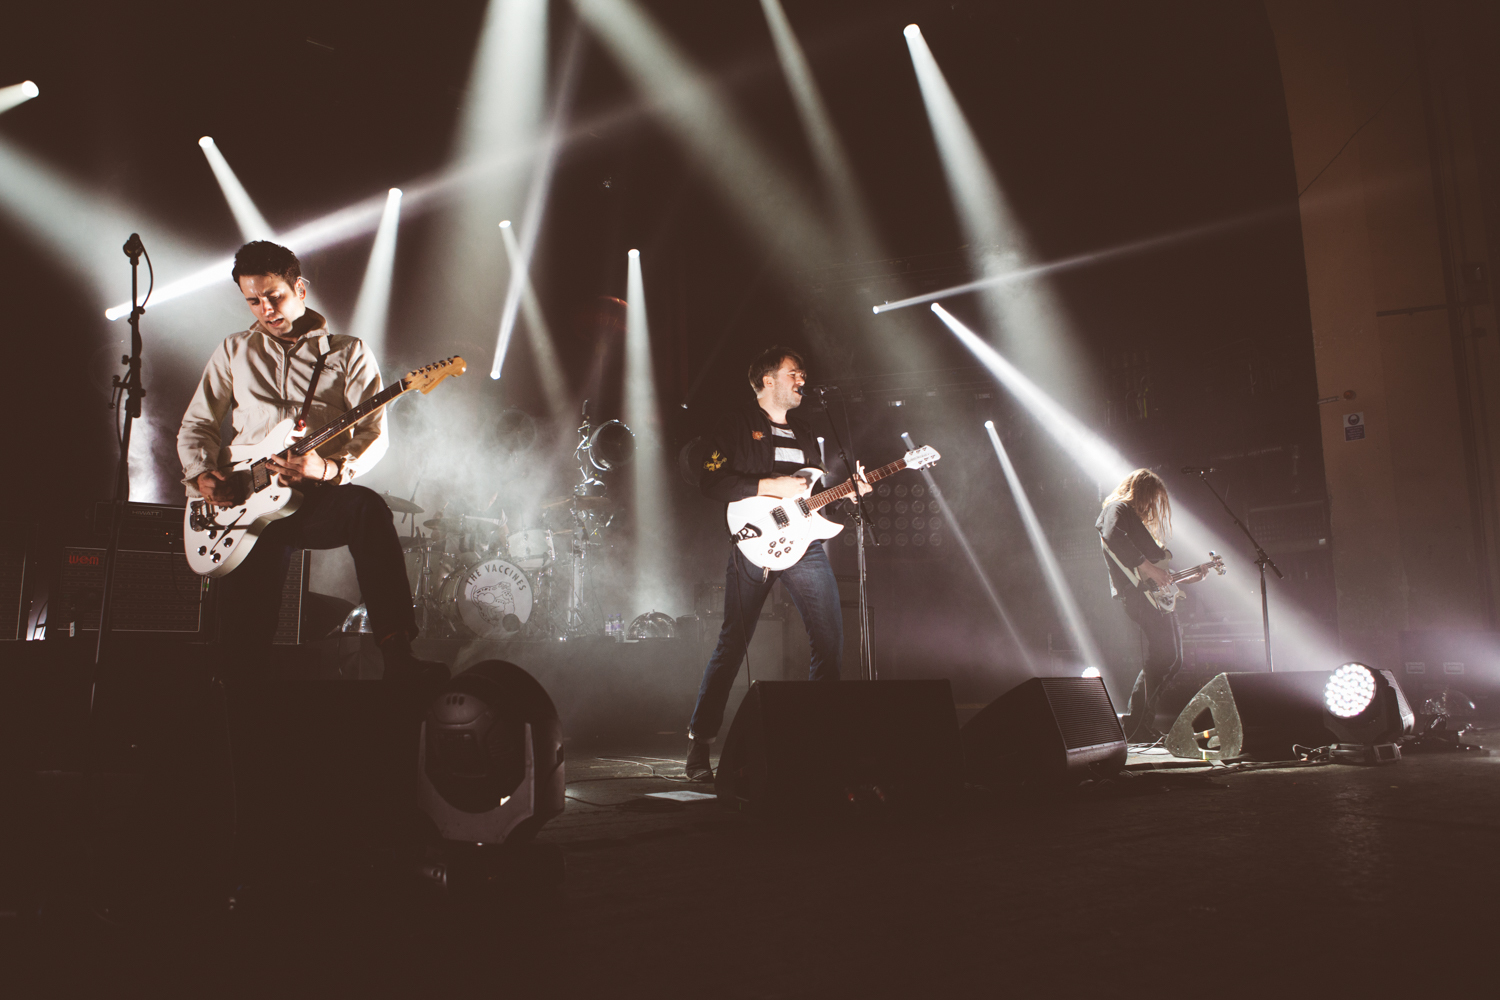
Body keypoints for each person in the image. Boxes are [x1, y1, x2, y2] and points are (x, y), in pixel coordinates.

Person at [176, 240, 443, 686]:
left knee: (368, 510)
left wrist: (328, 470)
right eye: (253, 300)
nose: (266, 309)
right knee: (241, 654)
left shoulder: (348, 352)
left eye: (274, 295)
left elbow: (374, 434)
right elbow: (197, 424)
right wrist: (203, 475)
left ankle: (397, 652)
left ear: (300, 288)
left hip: (313, 498)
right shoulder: (233, 350)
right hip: (242, 505)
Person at [684, 347, 869, 781]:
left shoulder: (806, 433)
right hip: (754, 544)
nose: (802, 378)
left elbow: (813, 503)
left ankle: (815, 744)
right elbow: (710, 480)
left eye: (802, 372)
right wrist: (769, 484)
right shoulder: (734, 426)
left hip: (804, 547)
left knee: (829, 643)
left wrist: (848, 495)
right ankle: (700, 743)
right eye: (793, 373)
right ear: (768, 380)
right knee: (734, 643)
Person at [1096, 468, 1205, 740]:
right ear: (1141, 492)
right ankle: (1134, 726)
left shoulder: (1136, 523)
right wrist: (1149, 568)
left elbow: (1161, 574)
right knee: (1164, 657)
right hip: (1137, 596)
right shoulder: (1117, 509)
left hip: (1154, 597)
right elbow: (1111, 535)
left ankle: (1141, 723)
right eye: (1151, 498)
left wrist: (1189, 577)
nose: (1152, 506)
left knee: (1173, 659)